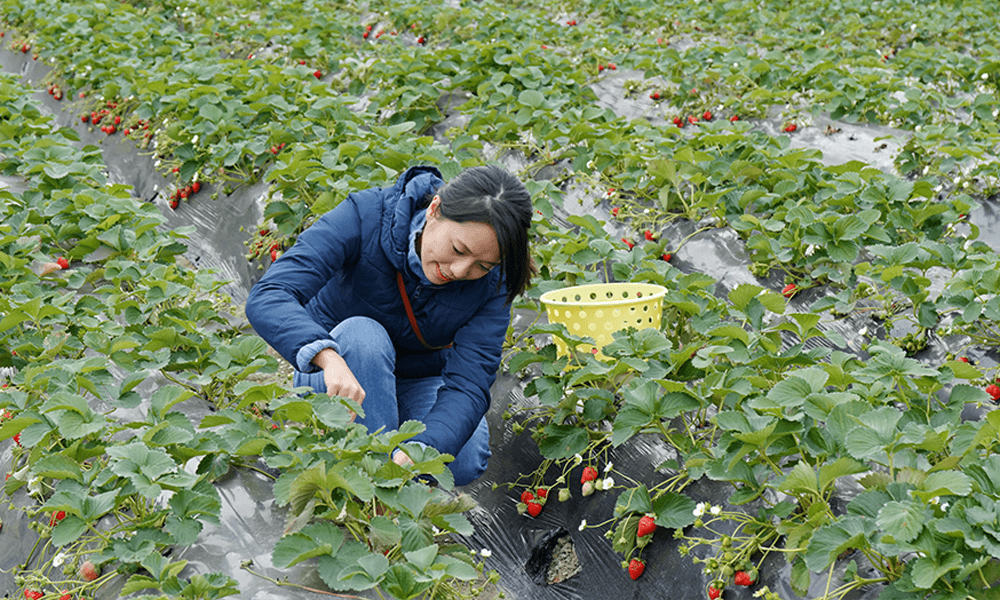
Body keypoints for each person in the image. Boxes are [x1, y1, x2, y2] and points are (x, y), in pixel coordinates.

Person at [245, 164, 533, 486]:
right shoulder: (366, 214)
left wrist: (426, 446)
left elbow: (469, 382)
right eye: (458, 250)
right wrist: (326, 356)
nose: (460, 270)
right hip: (338, 370)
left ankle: (387, 482)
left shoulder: (493, 284)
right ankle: (371, 492)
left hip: (414, 380)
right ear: (434, 210)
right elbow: (270, 294)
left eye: (482, 264)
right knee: (365, 337)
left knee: (464, 455)